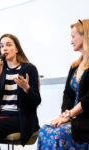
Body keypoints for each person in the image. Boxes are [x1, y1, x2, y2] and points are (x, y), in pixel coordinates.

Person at [37, 19, 89, 150]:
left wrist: (68, 116)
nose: (71, 41)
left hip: (86, 120)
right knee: (44, 131)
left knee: (57, 134)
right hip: (74, 117)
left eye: (73, 37)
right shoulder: (75, 66)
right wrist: (64, 114)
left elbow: (88, 100)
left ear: (85, 36)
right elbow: (67, 95)